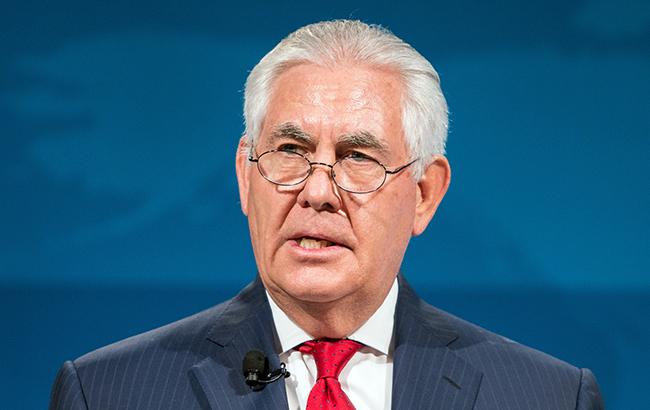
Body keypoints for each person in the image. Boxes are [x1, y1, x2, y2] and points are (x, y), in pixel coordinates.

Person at [49, 20, 604, 410]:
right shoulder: (107, 392)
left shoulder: (549, 397)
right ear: (245, 175)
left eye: (358, 158)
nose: (317, 191)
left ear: (424, 193)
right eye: (290, 151)